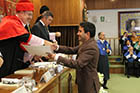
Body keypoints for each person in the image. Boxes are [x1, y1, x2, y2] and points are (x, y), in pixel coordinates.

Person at [0, 0, 52, 78]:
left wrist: (34, 55)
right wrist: (46, 43)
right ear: (21, 13)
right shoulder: (11, 22)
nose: (31, 18)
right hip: (5, 62)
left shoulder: (21, 24)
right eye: (29, 14)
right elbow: (28, 38)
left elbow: (23, 45)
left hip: (14, 63)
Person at [49, 22, 100, 93]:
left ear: (87, 34)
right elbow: (72, 50)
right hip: (84, 81)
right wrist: (57, 47)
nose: (77, 33)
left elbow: (77, 64)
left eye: (80, 31)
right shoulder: (86, 44)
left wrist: (57, 58)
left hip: (88, 83)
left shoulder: (91, 47)